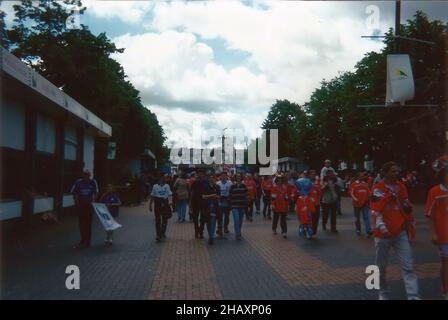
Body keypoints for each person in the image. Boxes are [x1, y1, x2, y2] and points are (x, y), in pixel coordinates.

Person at [370, 162, 420, 300]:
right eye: (393, 171)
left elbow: (406, 205)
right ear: (385, 173)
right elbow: (376, 211)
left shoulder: (401, 186)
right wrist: (383, 228)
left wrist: (409, 223)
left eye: (398, 171)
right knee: (381, 267)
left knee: (408, 266)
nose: (397, 173)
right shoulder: (377, 189)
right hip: (383, 235)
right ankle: (383, 292)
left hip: (400, 233)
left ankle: (413, 296)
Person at [425, 155, 448, 300]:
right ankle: (445, 290)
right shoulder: (435, 191)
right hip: (444, 235)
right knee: (446, 263)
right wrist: (433, 233)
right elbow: (429, 214)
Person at [70, 169, 99, 249]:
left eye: (87, 175)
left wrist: (93, 201)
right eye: (84, 175)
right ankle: (83, 239)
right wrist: (76, 203)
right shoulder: (78, 182)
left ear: (89, 175)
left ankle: (88, 240)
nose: (85, 176)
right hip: (81, 205)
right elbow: (74, 192)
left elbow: (96, 193)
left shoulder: (93, 182)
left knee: (88, 223)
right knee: (81, 223)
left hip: (89, 206)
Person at [349, 169, 372, 237]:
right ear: (358, 177)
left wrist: (368, 200)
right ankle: (358, 230)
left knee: (366, 217)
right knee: (357, 218)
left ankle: (368, 230)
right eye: (361, 176)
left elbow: (369, 193)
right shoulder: (354, 184)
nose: (363, 177)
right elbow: (351, 192)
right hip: (356, 204)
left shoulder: (365, 184)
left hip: (364, 203)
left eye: (363, 176)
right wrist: (355, 199)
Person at [149, 174, 173, 242]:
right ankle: (158, 234)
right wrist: (150, 205)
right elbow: (152, 196)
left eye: (165, 178)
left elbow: (170, 194)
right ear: (160, 178)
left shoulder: (167, 186)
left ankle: (163, 232)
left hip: (165, 202)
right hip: (157, 202)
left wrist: (170, 202)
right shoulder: (155, 186)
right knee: (157, 219)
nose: (164, 179)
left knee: (165, 218)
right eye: (163, 178)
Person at [202, 174, 221, 245]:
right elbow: (203, 196)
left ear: (215, 179)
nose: (212, 179)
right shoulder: (205, 187)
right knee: (208, 222)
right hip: (206, 207)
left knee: (213, 222)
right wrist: (213, 195)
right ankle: (210, 235)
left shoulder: (217, 187)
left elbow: (219, 196)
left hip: (215, 207)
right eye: (210, 178)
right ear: (208, 179)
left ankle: (211, 237)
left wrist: (209, 196)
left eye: (213, 178)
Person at [229, 173, 248, 240]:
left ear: (241, 178)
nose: (238, 177)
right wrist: (231, 205)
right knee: (236, 220)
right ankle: (237, 234)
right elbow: (230, 196)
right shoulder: (232, 186)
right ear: (235, 178)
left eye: (239, 176)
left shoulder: (244, 186)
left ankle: (238, 231)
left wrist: (246, 204)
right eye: (237, 176)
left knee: (240, 221)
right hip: (234, 206)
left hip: (242, 206)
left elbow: (246, 196)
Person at [189, 170, 206, 239]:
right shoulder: (195, 182)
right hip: (195, 202)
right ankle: (196, 230)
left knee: (203, 218)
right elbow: (192, 192)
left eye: (201, 174)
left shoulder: (205, 182)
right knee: (195, 218)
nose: (200, 175)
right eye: (199, 174)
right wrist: (190, 203)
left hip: (203, 202)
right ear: (197, 174)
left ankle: (201, 231)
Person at [308, 169, 321, 235]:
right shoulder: (307, 182)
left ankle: (314, 230)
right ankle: (308, 229)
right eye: (312, 174)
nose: (313, 175)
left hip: (316, 203)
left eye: (314, 174)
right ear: (309, 175)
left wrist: (316, 188)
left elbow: (320, 192)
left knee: (316, 218)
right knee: (309, 218)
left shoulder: (317, 182)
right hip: (309, 204)